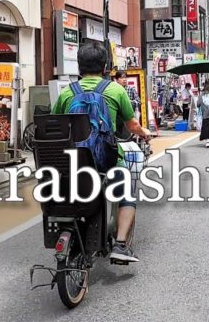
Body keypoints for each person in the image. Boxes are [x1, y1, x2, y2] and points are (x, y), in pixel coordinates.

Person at [51, 41, 155, 264]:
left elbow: (53, 123)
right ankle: (120, 245)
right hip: (105, 162)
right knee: (126, 190)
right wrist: (145, 133)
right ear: (105, 67)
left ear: (79, 67)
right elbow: (132, 125)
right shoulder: (116, 90)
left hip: (72, 162)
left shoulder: (67, 92)